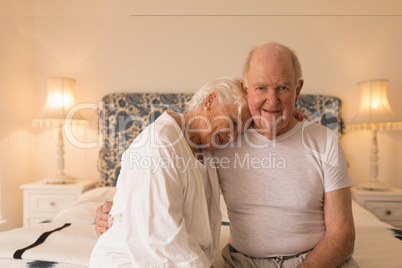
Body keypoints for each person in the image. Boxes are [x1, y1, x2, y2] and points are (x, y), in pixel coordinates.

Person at [95, 42, 357, 268]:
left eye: (283, 88)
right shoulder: (198, 143)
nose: (272, 100)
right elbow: (157, 199)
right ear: (244, 89)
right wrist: (119, 208)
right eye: (261, 88)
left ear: (297, 90)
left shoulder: (321, 141)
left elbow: (342, 232)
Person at [90, 77, 251, 268]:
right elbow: (161, 234)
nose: (233, 138)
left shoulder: (207, 147)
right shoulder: (159, 142)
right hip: (131, 260)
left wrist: (292, 118)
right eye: (232, 122)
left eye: (239, 132)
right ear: (209, 101)